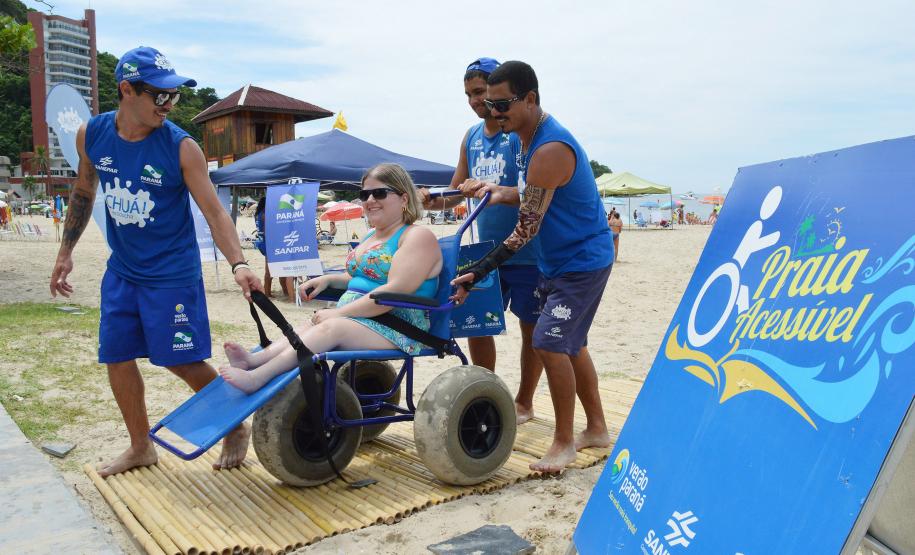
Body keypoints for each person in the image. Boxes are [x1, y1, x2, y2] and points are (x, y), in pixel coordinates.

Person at [48, 46, 262, 477]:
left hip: (172, 274)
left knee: (180, 360)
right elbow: (85, 192)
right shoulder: (92, 134)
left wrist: (238, 263)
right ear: (127, 90)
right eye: (159, 95)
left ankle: (234, 425)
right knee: (117, 355)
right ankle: (141, 447)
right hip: (123, 271)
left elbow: (214, 211)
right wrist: (65, 253)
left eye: (173, 96)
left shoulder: (182, 147)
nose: (168, 104)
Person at [452, 61, 614, 473]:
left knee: (548, 342)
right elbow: (528, 194)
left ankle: (564, 442)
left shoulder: (548, 149)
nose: (493, 112)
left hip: (582, 262)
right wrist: (495, 190)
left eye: (502, 104)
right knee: (571, 343)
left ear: (530, 99)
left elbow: (525, 227)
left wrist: (479, 270)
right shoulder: (524, 139)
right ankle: (596, 428)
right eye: (489, 104)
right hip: (555, 260)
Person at [220, 163, 442, 393]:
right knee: (312, 324)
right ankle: (255, 360)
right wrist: (329, 280)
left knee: (330, 327)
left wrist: (339, 312)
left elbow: (394, 291)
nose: (370, 200)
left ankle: (258, 377)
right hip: (365, 317)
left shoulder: (417, 237)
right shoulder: (372, 235)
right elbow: (361, 276)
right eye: (365, 194)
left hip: (399, 325)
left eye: (380, 193)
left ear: (404, 198)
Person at [420, 57, 544, 424]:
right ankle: (485, 389)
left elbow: (535, 191)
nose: (475, 101)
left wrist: (492, 190)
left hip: (526, 249)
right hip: (483, 249)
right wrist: (433, 199)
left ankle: (524, 401)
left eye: (480, 92)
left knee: (530, 326)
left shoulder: (517, 133)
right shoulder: (472, 137)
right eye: (469, 94)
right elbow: (458, 191)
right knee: (477, 322)